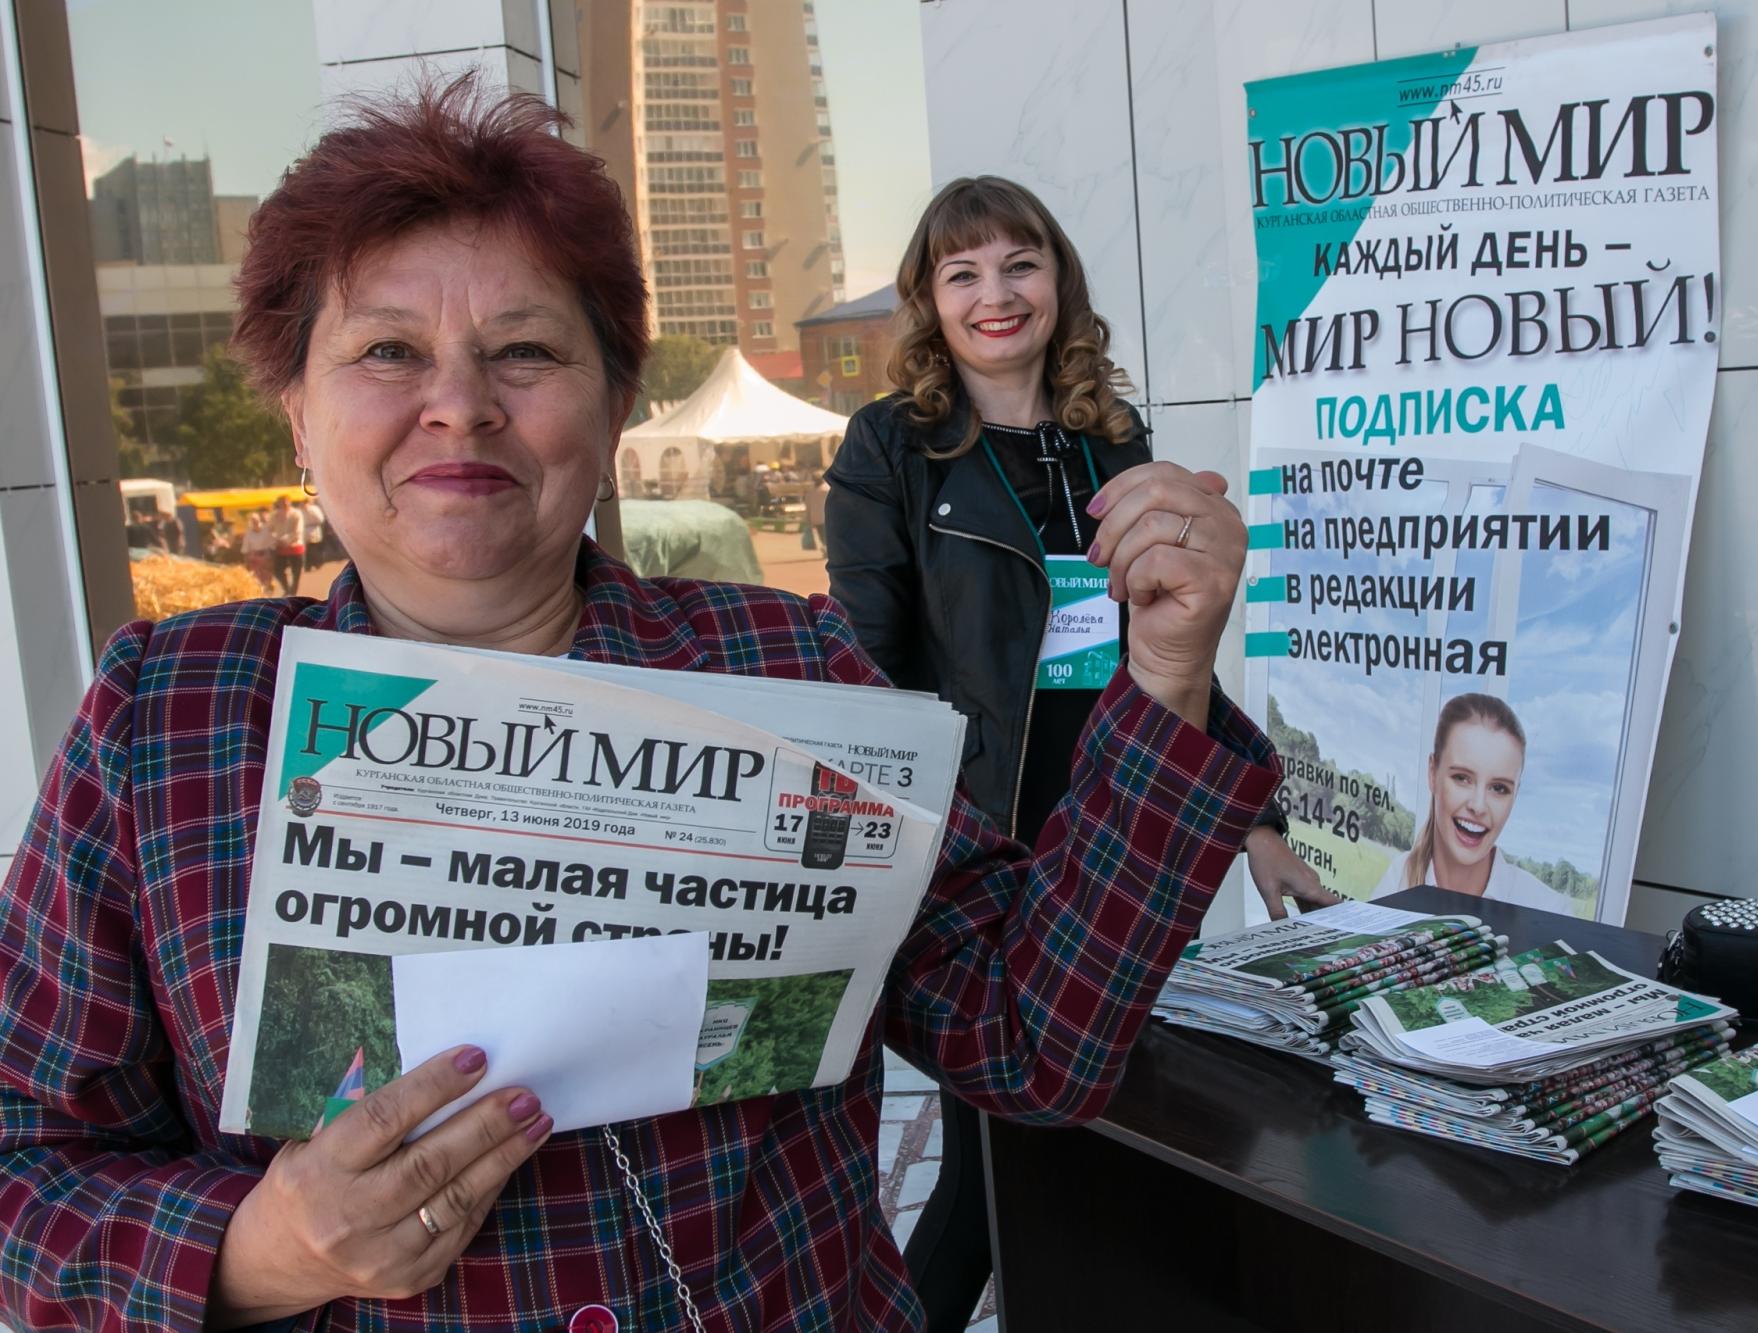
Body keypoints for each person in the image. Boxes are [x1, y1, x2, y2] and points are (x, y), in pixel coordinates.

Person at [0, 82, 1277, 1331]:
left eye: (525, 350)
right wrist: (255, 1252)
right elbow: (26, 1158)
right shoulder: (163, 722)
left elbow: (1027, 1036)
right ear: (294, 410)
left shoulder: (780, 673)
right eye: (387, 351)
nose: (460, 403)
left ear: (614, 405)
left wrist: (1164, 676)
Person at [822, 174, 1336, 1333]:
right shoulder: (891, 448)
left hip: (1120, 824)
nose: (995, 293)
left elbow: (1168, 651)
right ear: (929, 301)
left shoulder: (1110, 439)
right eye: (962, 273)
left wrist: (1255, 826)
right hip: (981, 845)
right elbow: (865, 672)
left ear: (1058, 280)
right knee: (989, 1159)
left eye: (1020, 264)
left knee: (1114, 1129)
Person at [1371, 692, 1573, 912]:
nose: (1478, 806)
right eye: (1462, 778)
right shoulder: (1398, 879)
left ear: (1515, 795)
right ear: (1433, 773)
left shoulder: (1547, 908)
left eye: (1499, 788)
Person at [270, 493, 307, 594]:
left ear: (290, 502)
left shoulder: (296, 513)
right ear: (279, 504)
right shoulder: (275, 515)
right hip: (280, 547)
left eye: (286, 502)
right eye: (282, 502)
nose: (284, 504)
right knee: (278, 570)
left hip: (295, 546)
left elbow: (298, 531)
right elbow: (269, 529)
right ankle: (287, 589)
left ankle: (293, 591)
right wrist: (275, 539)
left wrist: (285, 540)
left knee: (296, 572)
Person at [241, 510, 276, 592]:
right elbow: (246, 545)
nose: (255, 522)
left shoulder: (266, 530)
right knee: (256, 574)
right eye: (253, 520)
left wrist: (272, 551)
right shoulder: (249, 532)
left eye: (256, 520)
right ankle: (260, 587)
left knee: (266, 572)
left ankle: (267, 586)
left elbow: (271, 542)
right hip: (254, 556)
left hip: (265, 554)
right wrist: (246, 555)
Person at [302, 494, 328, 569]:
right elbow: (320, 519)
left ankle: (309, 565)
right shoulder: (314, 508)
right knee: (314, 548)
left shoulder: (302, 509)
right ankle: (316, 563)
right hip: (312, 529)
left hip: (307, 529)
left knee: (309, 549)